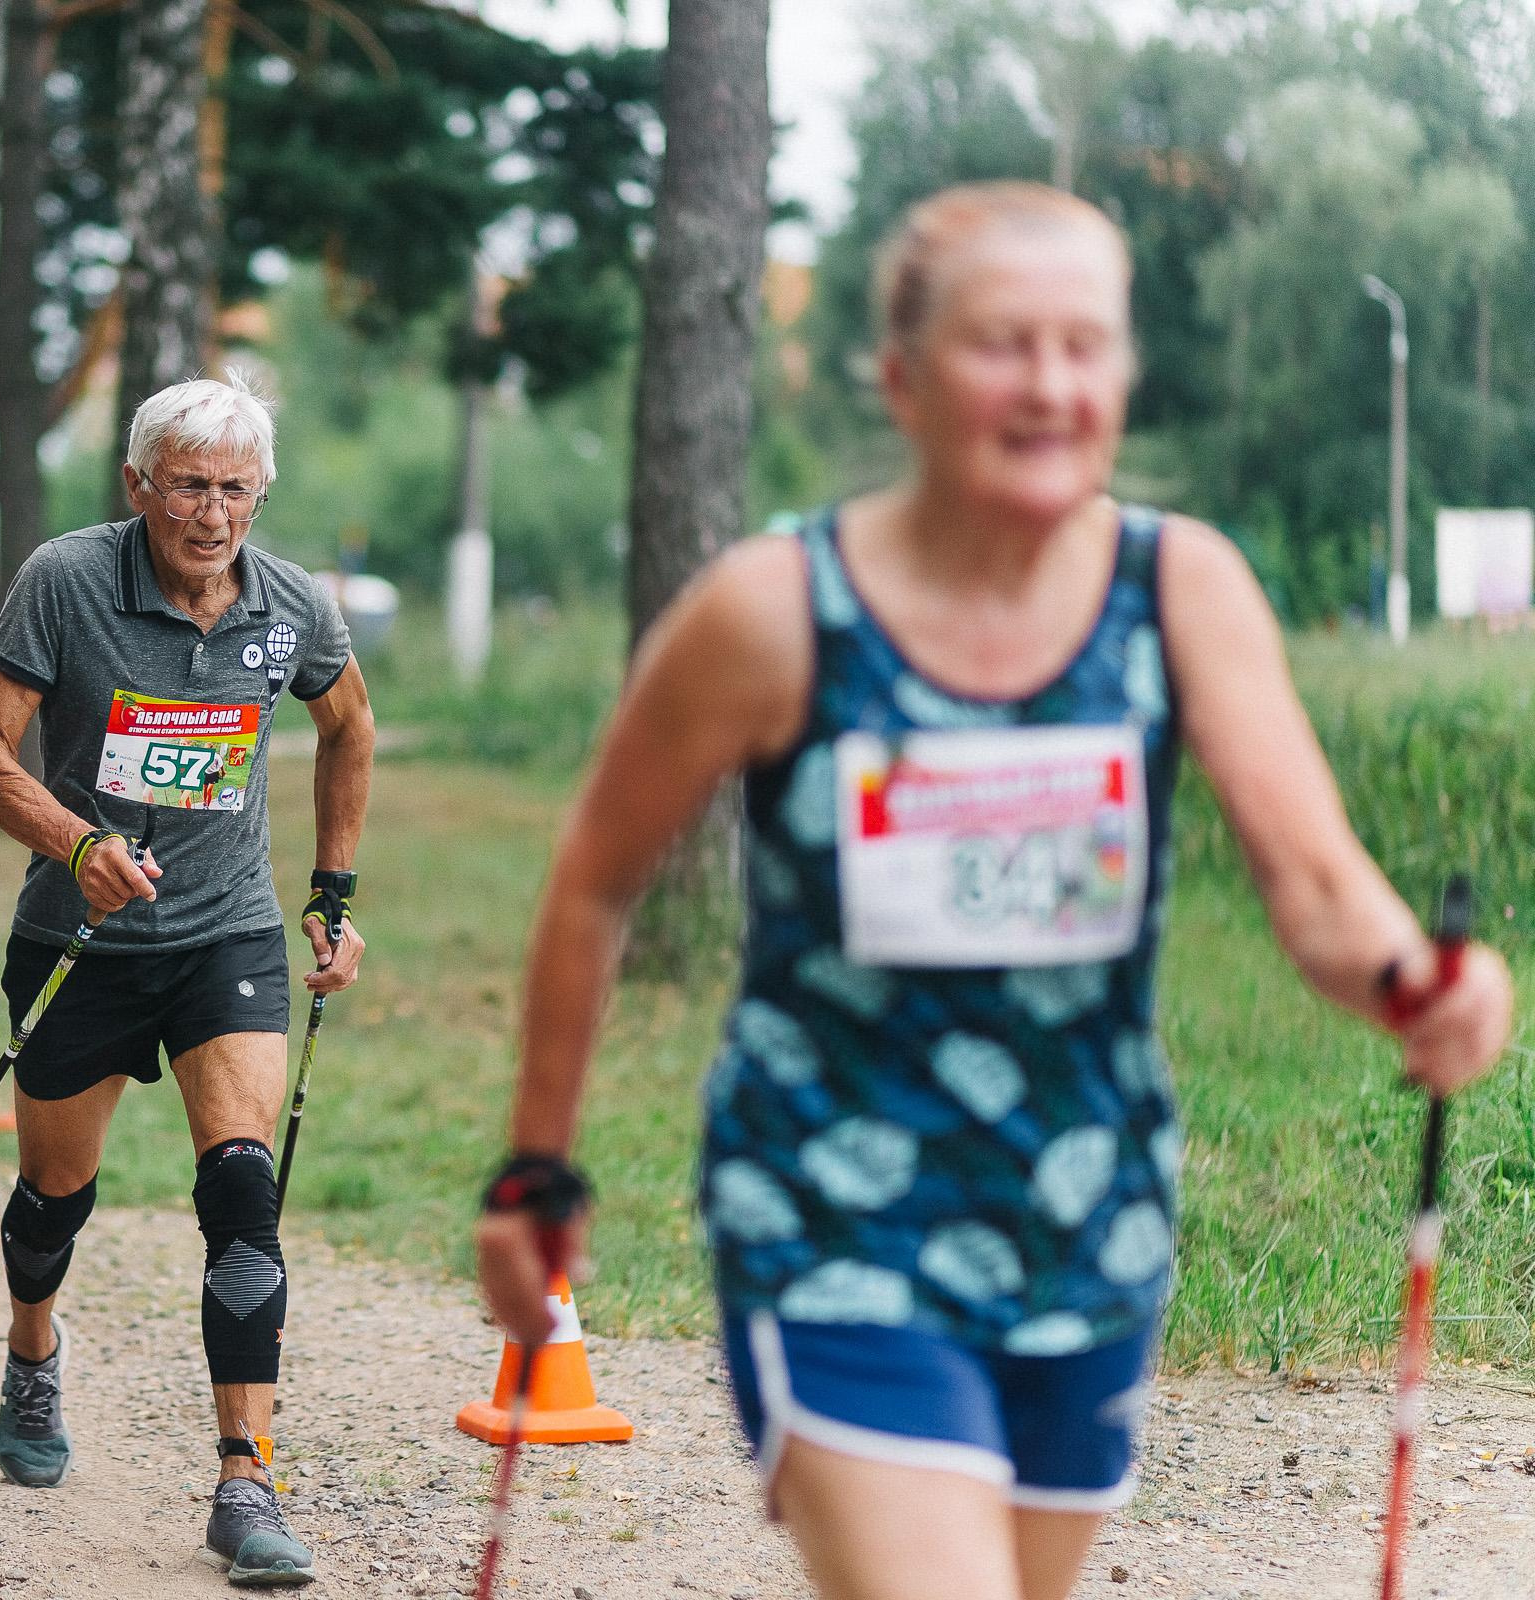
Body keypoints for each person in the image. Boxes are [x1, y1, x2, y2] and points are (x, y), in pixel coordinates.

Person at [472, 182, 1515, 1600]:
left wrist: (1418, 983)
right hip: (829, 1212)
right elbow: (595, 883)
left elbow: (1319, 882)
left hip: (1088, 1221)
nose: (1050, 386)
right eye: (1003, 344)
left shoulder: (1177, 588)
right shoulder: (775, 610)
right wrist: (535, 1170)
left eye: (1086, 347)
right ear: (901, 379)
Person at [0, 374, 375, 1587]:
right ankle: (34, 1348)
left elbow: (348, 727)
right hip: (80, 939)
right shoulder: (68, 580)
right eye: (188, 483)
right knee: (53, 1197)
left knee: (243, 1195)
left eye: (237, 487)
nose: (213, 512)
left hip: (225, 936)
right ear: (137, 484)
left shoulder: (292, 607)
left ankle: (247, 1480)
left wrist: (330, 898)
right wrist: (76, 844)